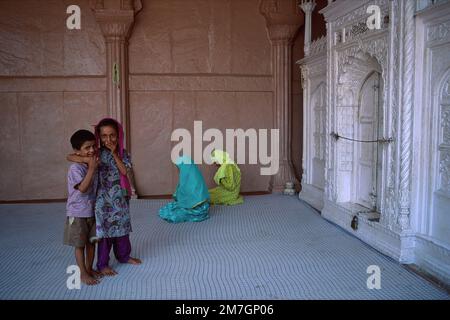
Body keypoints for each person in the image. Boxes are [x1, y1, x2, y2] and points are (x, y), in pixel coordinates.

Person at [68, 118, 141, 276]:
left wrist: (115, 153)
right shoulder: (96, 153)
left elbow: (124, 171)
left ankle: (124, 256)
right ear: (98, 137)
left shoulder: (123, 153)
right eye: (104, 136)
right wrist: (85, 159)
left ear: (119, 135)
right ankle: (102, 264)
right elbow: (71, 156)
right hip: (102, 200)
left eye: (112, 135)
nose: (108, 139)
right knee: (104, 233)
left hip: (120, 198)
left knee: (122, 229)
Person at [64, 129, 100, 285]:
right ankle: (82, 273)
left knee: (92, 242)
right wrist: (91, 168)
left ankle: (89, 268)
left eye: (93, 146)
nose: (91, 150)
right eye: (87, 147)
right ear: (77, 151)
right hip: (77, 213)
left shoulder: (92, 162)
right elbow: (83, 188)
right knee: (79, 245)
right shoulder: (76, 169)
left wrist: (91, 165)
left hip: (92, 212)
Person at [159, 156, 210, 223]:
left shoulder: (188, 178)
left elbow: (186, 194)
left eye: (179, 167)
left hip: (196, 208)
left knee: (176, 214)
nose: (178, 169)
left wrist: (180, 197)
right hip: (203, 207)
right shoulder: (194, 174)